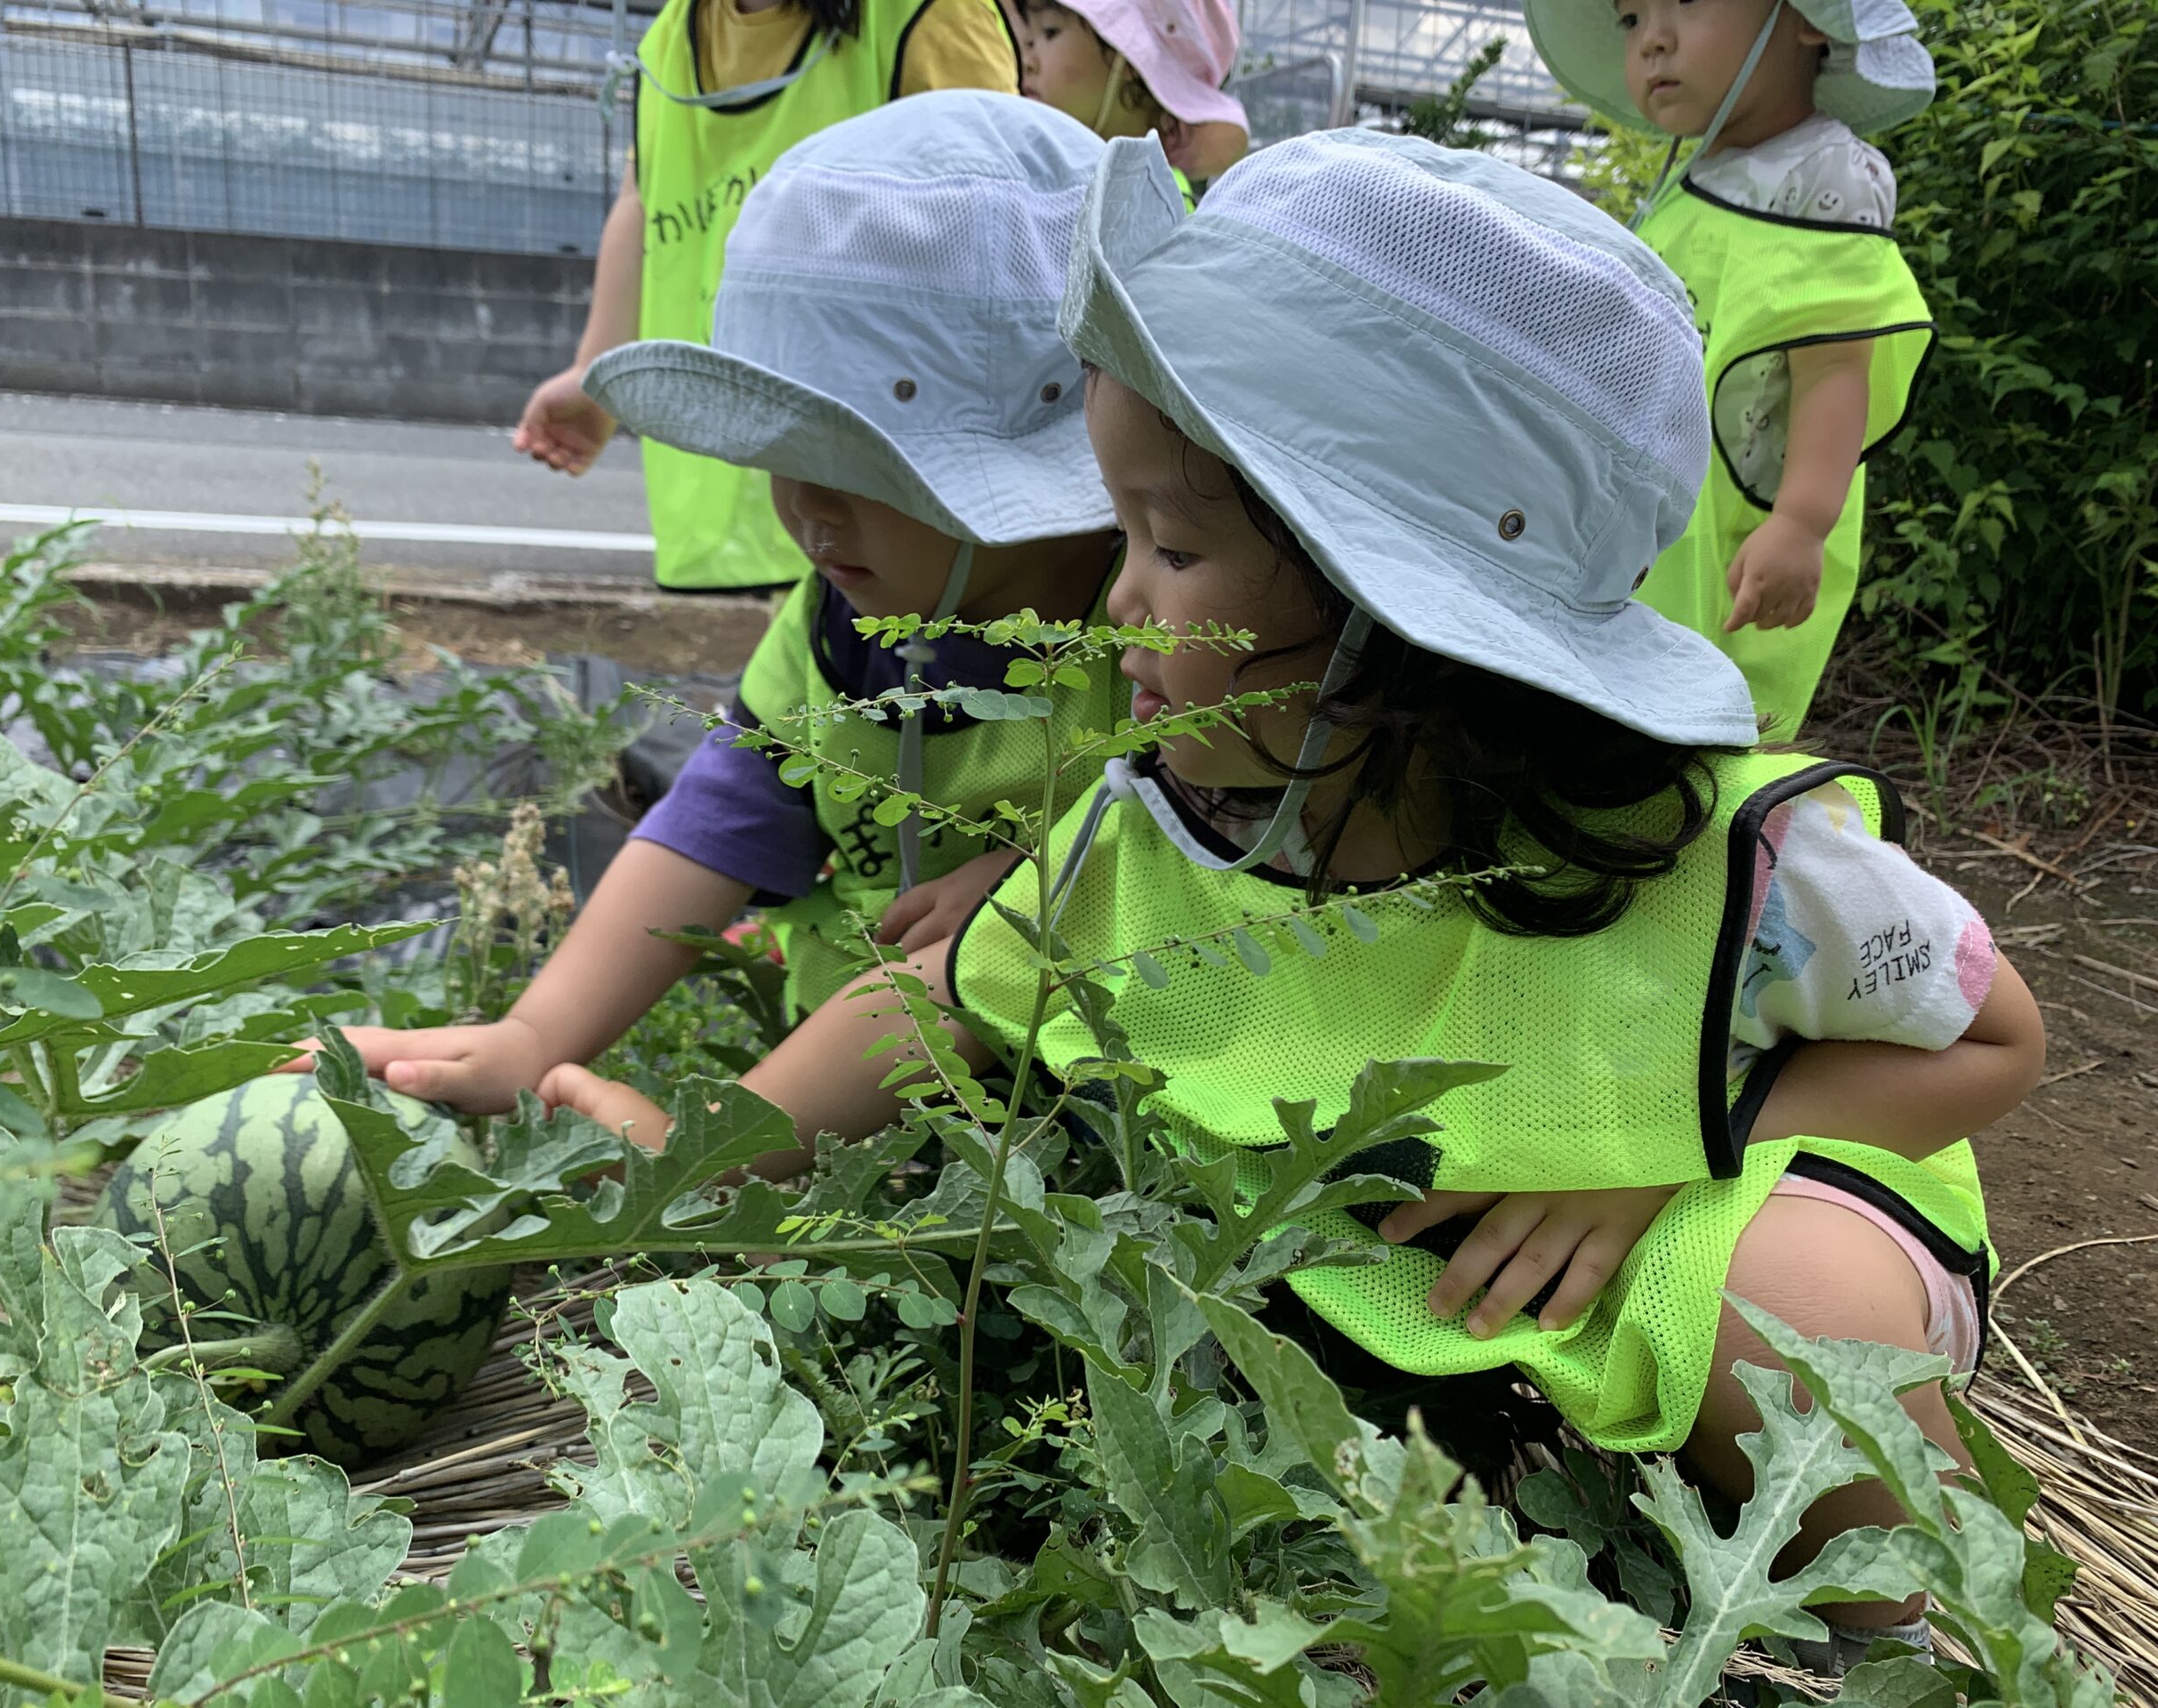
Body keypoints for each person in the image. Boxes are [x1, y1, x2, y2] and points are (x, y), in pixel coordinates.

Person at [539, 131, 2044, 1672]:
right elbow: (941, 1001)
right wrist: (714, 1157)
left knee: (1771, 1306)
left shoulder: (1731, 862)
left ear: (1399, 615)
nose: (1115, 597)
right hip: (1464, 1263)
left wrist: (1677, 1158)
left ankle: (1899, 1637)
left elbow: (1990, 1044)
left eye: (1172, 545)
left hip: (1733, 1196)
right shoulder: (1173, 826)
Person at [338, 93, 1129, 1108]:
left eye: (867, 470)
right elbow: (726, 811)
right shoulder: (845, 622)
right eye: (783, 459)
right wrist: (535, 1035)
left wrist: (1062, 886)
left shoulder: (1160, 636)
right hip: (856, 1122)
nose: (806, 510)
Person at [1523, 0, 1937, 739]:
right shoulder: (1690, 177)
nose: (1653, 40)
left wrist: (1802, 521)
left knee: (1713, 709)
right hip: (1665, 502)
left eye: (1684, 3)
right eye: (1630, 20)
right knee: (1628, 695)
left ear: (1806, 20)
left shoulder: (1827, 172)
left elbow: (1835, 358)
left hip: (1745, 522)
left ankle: (1714, 840)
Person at [511, 0, 1021, 591]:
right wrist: (594, 372)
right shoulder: (669, 38)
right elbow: (644, 194)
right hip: (745, 491)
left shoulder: (924, 15)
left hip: (891, 501)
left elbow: (1002, 229)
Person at [1011, 0, 1248, 181]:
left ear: (1126, 60)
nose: (1027, 61)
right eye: (1027, 40)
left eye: (1050, 32)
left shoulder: (1160, 216)